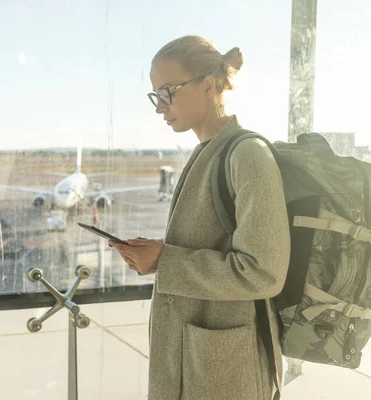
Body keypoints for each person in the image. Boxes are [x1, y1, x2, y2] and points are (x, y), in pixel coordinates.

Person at [109, 35, 290, 400]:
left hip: (225, 371)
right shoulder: (205, 153)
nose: (160, 106)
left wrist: (165, 260)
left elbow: (264, 272)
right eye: (155, 95)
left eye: (167, 92)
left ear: (208, 86)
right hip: (194, 361)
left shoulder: (248, 155)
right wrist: (155, 258)